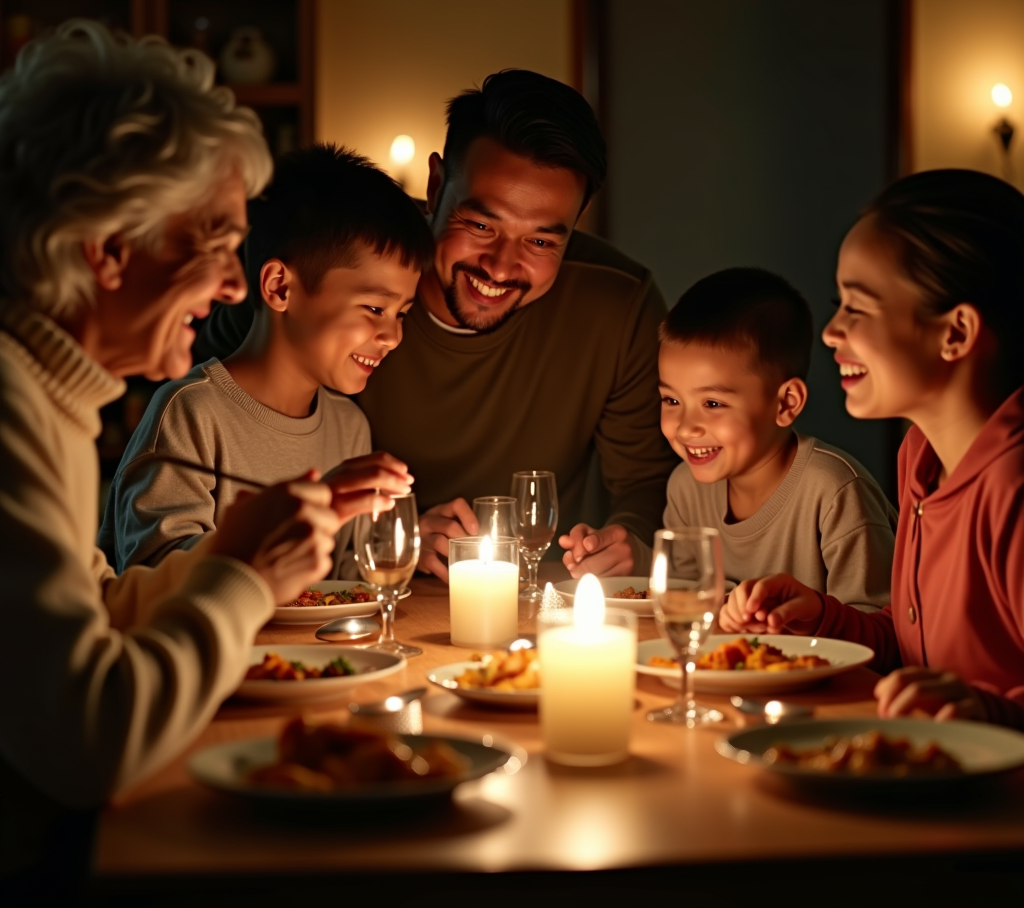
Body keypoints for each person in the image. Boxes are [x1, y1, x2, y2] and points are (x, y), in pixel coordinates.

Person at [0, 21, 393, 887]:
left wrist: (227, 550)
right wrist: (244, 580)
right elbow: (85, 746)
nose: (230, 283)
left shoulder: (52, 392)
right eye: (214, 243)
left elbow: (93, 609)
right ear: (108, 248)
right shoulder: (12, 409)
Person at [195, 70, 678, 579]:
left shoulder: (619, 302)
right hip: (346, 595)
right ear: (434, 186)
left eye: (540, 241)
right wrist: (394, 538)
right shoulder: (332, 255)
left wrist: (628, 543)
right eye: (481, 224)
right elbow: (222, 394)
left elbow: (649, 481)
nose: (498, 266)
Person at [720, 170, 1024, 729]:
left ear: (955, 332)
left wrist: (990, 713)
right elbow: (915, 653)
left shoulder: (1013, 487)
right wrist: (822, 618)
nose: (831, 332)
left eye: (857, 309)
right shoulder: (921, 456)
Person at [100, 144, 431, 576]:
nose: (392, 335)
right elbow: (158, 575)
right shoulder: (191, 413)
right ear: (279, 287)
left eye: (401, 314)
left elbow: (346, 578)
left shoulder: (350, 427)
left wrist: (406, 550)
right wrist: (302, 517)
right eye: (373, 309)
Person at [567, 267, 896, 600]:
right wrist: (636, 560)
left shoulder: (835, 492)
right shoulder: (686, 488)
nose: (684, 426)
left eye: (712, 403)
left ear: (785, 404)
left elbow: (876, 627)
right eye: (671, 399)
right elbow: (681, 602)